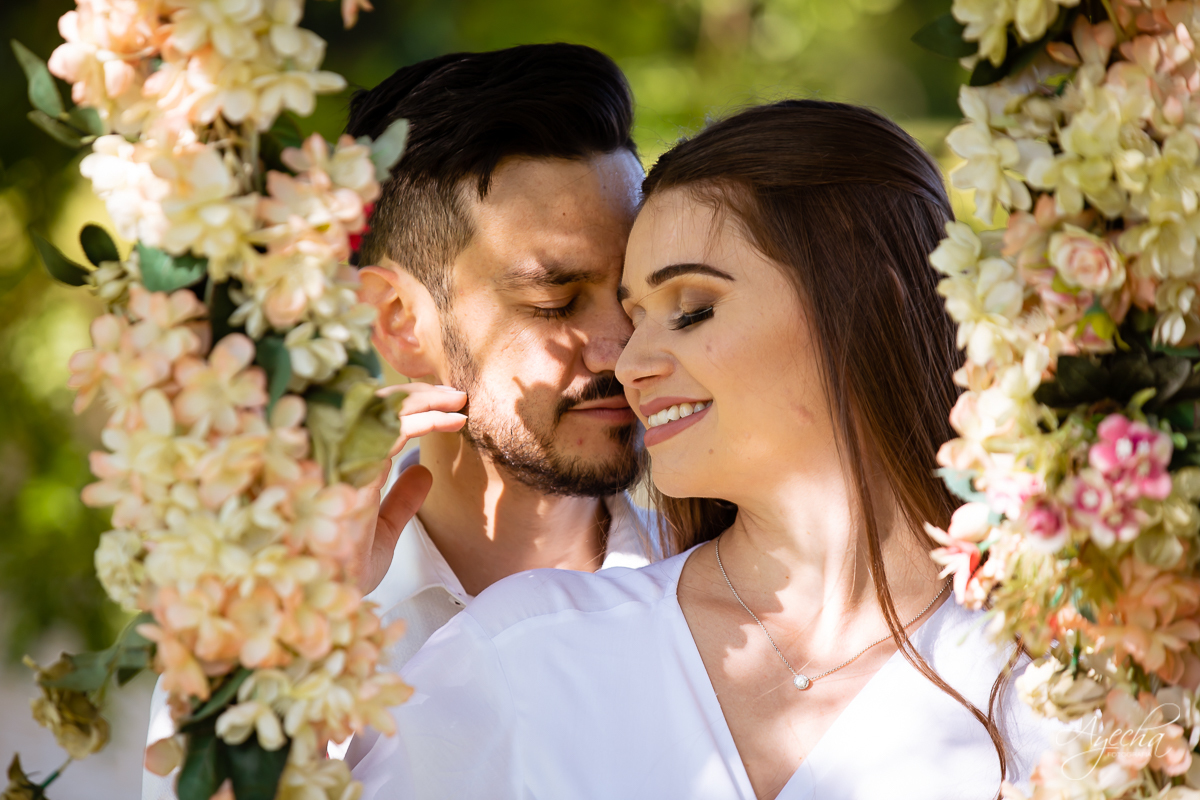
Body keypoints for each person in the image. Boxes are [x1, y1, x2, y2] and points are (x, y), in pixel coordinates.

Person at [350, 100, 1062, 800]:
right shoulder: (521, 655)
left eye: (691, 311)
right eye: (633, 315)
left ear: (869, 300)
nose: (627, 362)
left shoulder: (1071, 666)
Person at [142, 43, 659, 799]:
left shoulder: (723, 580)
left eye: (639, 294)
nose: (627, 347)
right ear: (397, 321)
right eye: (555, 301)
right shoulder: (261, 635)